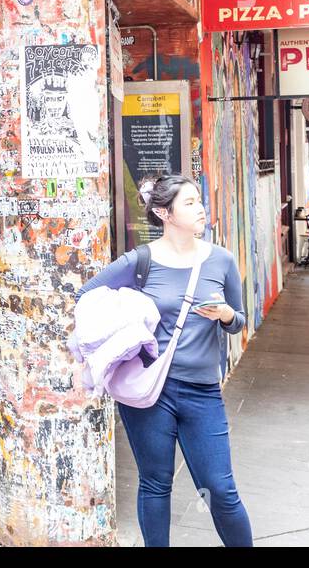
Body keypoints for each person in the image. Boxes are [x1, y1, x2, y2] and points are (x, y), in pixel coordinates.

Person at [79, 173, 252, 547]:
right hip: (150, 389)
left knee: (219, 489)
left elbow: (239, 321)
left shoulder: (220, 260)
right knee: (156, 483)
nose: (200, 208)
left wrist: (224, 314)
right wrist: (131, 320)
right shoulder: (141, 260)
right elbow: (88, 296)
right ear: (164, 213)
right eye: (189, 203)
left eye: (198, 200)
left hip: (203, 391)